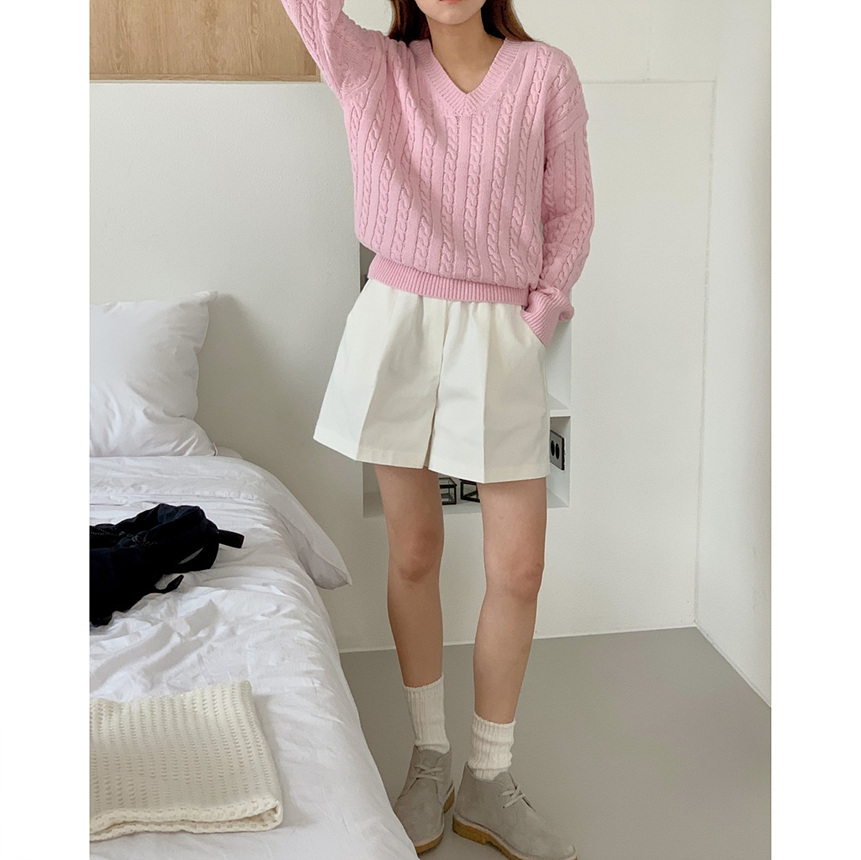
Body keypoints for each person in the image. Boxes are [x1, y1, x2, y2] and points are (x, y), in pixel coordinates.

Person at [277, 1, 594, 858]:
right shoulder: (373, 69)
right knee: (414, 552)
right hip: (398, 321)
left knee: (517, 567)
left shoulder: (543, 74)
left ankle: (490, 776)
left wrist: (538, 314)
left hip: (501, 328)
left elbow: (569, 211)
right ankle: (428, 762)